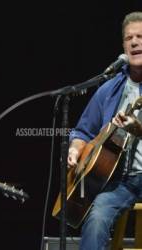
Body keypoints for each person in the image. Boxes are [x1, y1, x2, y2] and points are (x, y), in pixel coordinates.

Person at [68, 11, 142, 250]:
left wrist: (139, 131)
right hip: (120, 182)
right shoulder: (109, 89)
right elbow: (83, 131)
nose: (134, 42)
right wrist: (75, 148)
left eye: (140, 36)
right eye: (129, 38)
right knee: (97, 217)